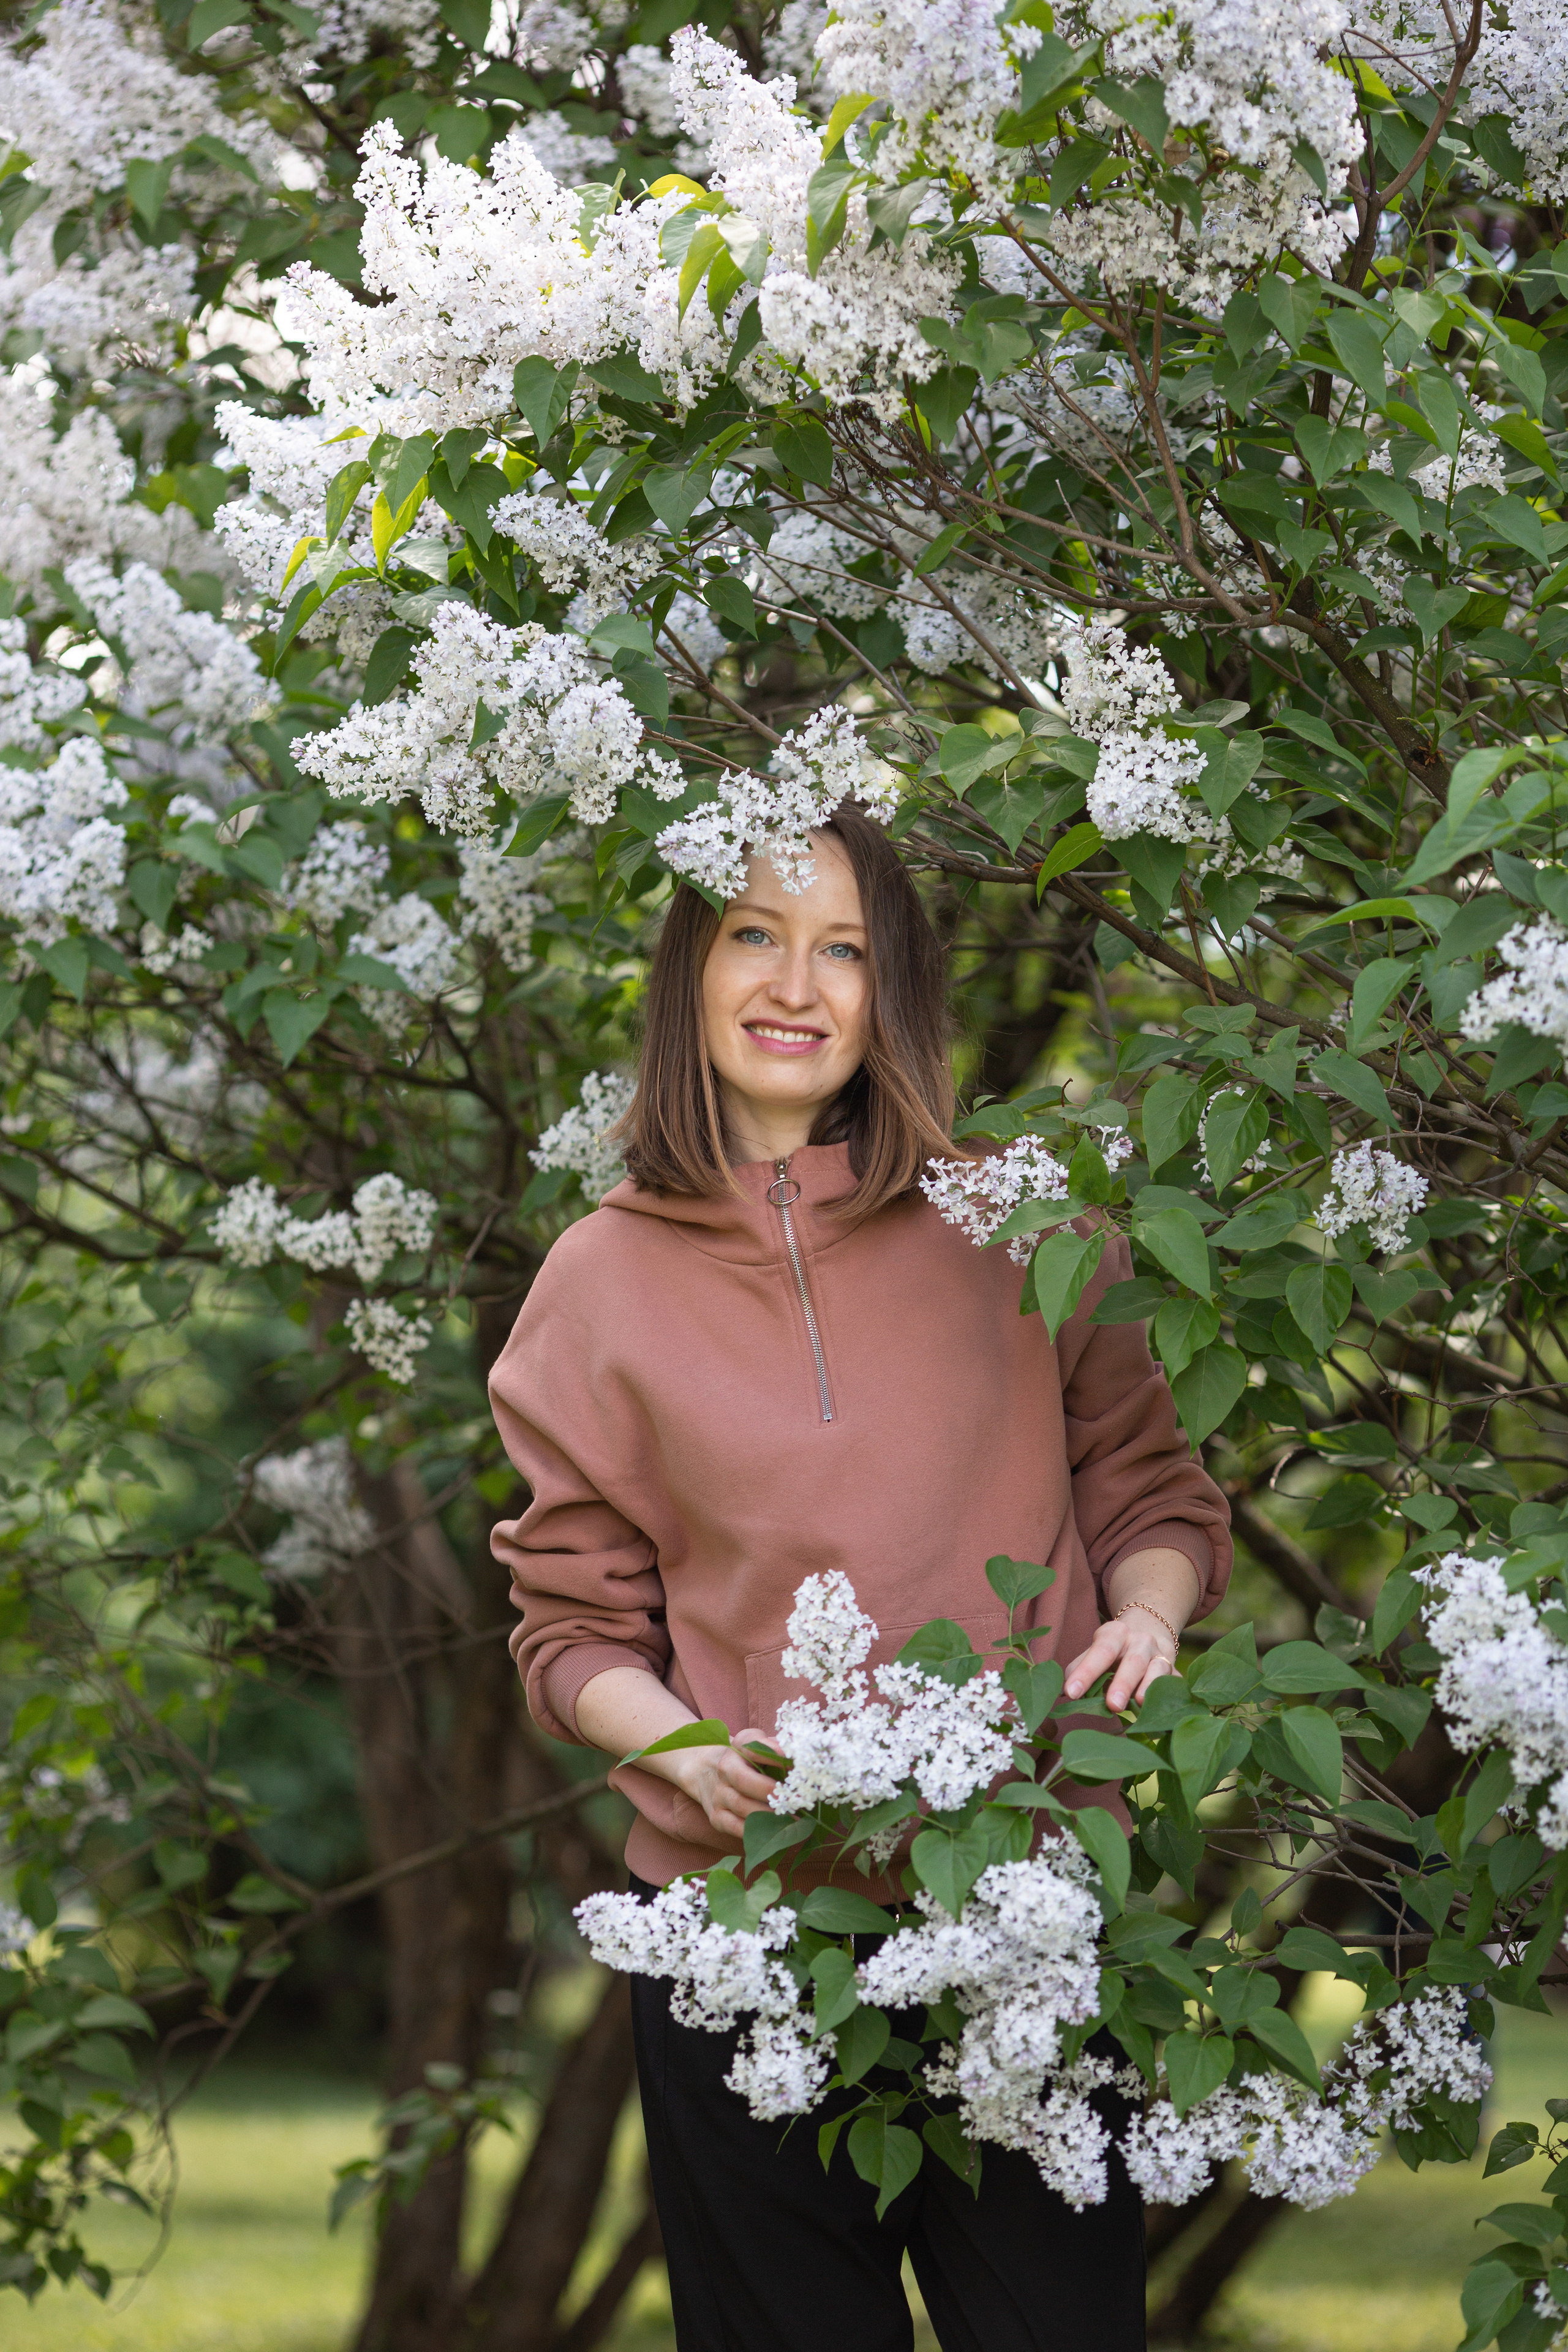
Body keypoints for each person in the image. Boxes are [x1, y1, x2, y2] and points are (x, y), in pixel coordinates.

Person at [488, 804, 1232, 2352]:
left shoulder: (1014, 1217)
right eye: (755, 933)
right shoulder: (595, 1283)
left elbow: (1152, 1492)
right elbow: (569, 1628)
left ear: (890, 990)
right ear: (690, 965)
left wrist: (1147, 1621)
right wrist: (679, 1754)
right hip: (743, 1942)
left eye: (842, 950)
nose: (795, 983)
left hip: (1025, 1911)